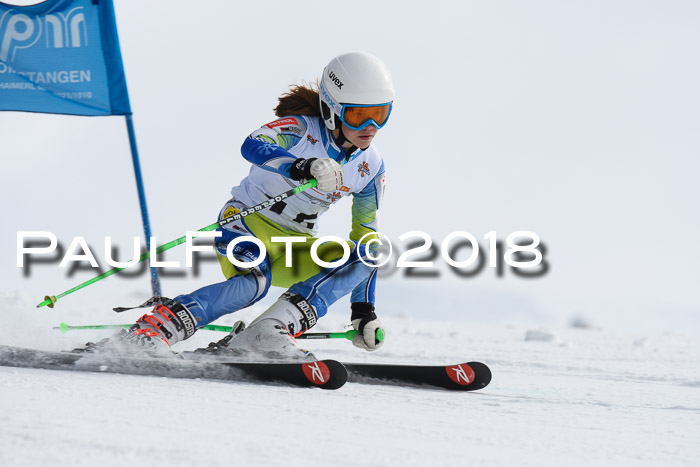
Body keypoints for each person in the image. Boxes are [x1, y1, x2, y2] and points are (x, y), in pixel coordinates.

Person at [106, 52, 394, 359]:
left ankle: (269, 330)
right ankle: (155, 329)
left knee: (368, 253)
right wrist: (300, 166)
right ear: (331, 109)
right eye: (357, 115)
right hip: (244, 222)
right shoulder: (300, 129)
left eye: (381, 113)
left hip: (294, 245)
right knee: (251, 284)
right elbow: (253, 144)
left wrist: (363, 308)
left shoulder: (371, 166)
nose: (371, 125)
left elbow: (365, 234)